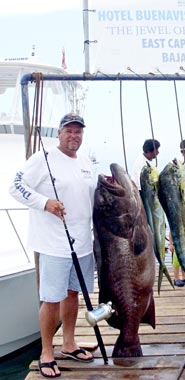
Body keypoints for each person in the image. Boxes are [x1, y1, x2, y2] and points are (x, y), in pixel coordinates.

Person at [9, 113, 95, 378]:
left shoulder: (86, 161)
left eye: (78, 131)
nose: (74, 135)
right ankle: (47, 351)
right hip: (53, 244)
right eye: (69, 131)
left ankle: (68, 343)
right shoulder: (43, 158)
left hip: (82, 243)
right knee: (50, 299)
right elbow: (16, 186)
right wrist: (44, 203)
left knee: (72, 294)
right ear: (59, 133)